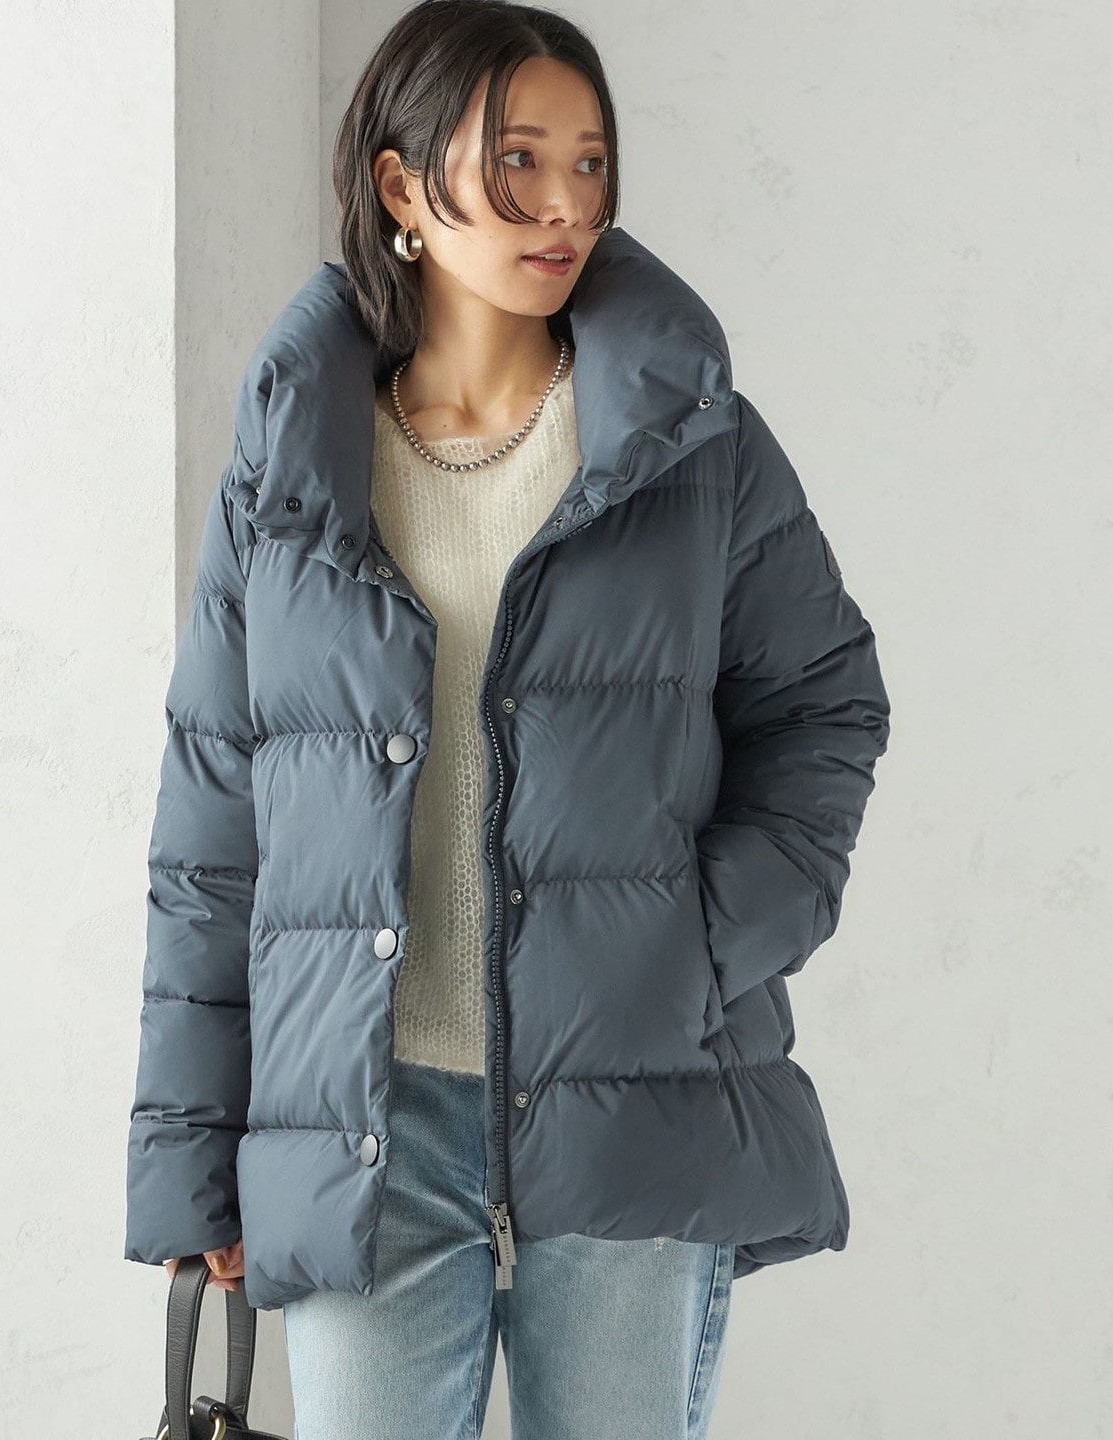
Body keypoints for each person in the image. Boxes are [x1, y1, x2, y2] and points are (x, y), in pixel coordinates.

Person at [125, 2, 890, 1436]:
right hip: (362, 1121)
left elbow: (824, 705)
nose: (565, 204)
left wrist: (695, 950)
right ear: (402, 185)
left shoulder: (691, 442)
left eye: (590, 163)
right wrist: (187, 1163)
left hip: (628, 1106)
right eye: (519, 159)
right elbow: (212, 823)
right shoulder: (289, 462)